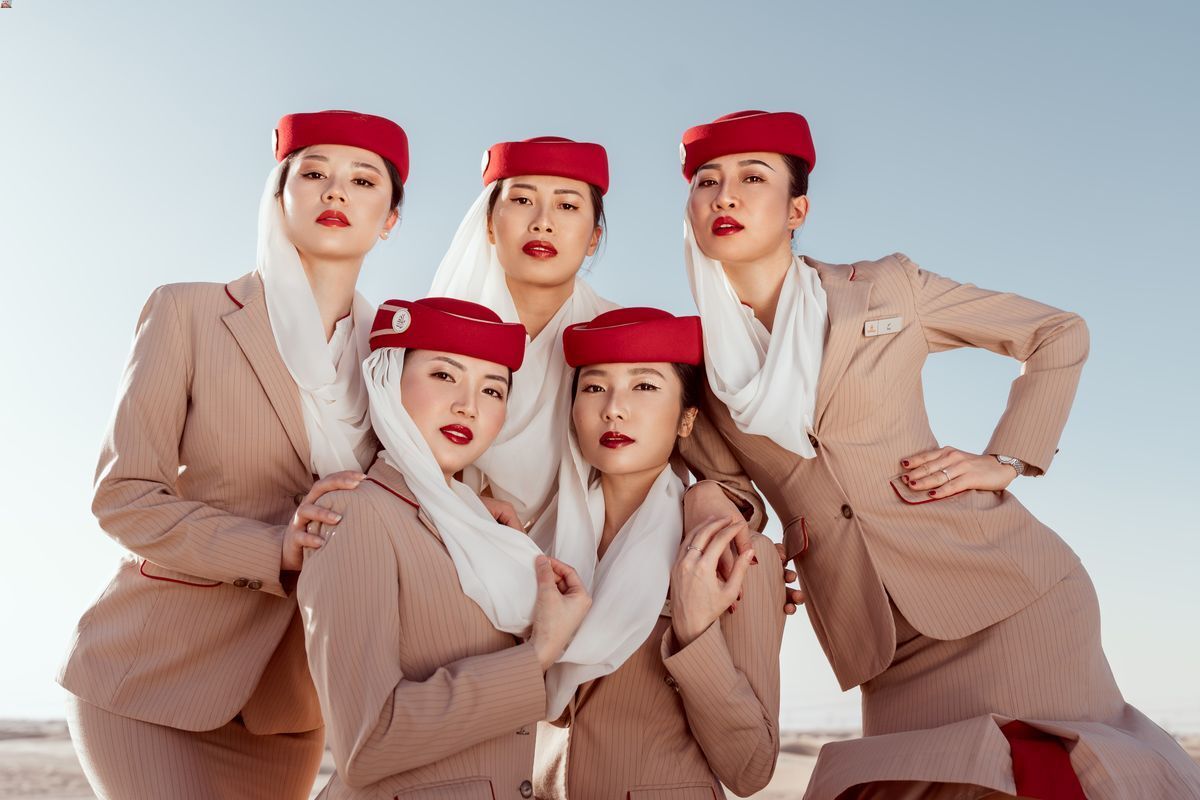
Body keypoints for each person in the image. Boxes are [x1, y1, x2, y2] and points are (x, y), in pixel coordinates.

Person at [676, 109, 1200, 799]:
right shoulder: (698, 364)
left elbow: (1057, 334)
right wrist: (756, 555)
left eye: (752, 177)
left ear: (797, 207)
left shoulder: (886, 287)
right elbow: (731, 490)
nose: (726, 196)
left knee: (1049, 777)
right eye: (707, 181)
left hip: (1005, 589)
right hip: (877, 634)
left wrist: (1007, 459)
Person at [58, 109, 407, 799]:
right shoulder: (187, 313)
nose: (335, 192)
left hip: (284, 708)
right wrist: (276, 548)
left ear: (390, 217)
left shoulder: (398, 363)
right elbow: (123, 495)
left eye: (363, 180)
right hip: (149, 674)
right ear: (279, 194)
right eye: (313, 174)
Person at [300, 297, 592, 799]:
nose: (468, 405)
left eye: (493, 389)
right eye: (444, 376)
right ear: (390, 379)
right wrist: (538, 653)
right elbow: (366, 743)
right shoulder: (357, 512)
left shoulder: (488, 530)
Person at [428, 136, 767, 544]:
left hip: (586, 558)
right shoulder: (436, 335)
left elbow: (725, 480)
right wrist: (454, 503)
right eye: (521, 200)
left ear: (593, 238)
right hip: (445, 538)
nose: (542, 222)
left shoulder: (627, 340)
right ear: (488, 224)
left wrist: (709, 499)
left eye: (568, 205)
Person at [533, 307, 784, 799]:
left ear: (687, 419)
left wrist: (695, 634)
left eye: (644, 386)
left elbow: (751, 768)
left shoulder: (736, 555)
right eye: (593, 387)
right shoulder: (529, 542)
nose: (614, 408)